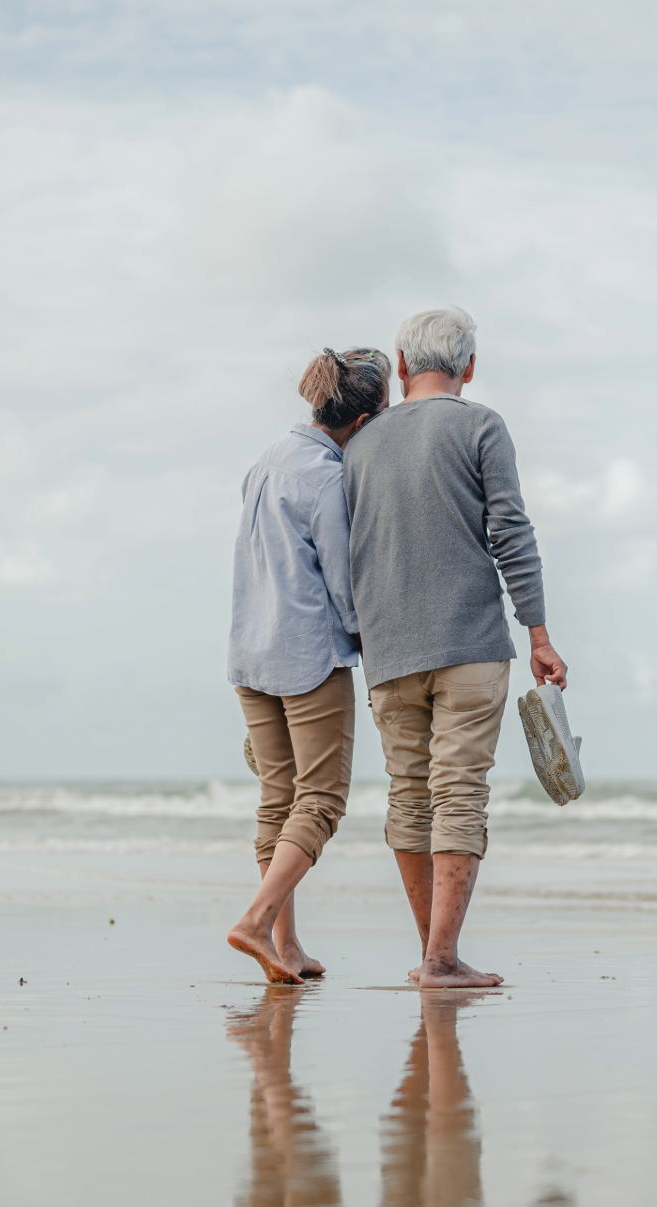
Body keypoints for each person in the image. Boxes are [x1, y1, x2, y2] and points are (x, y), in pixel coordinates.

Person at [344, 306, 567, 989]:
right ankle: (441, 958)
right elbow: (511, 532)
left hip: (387, 650)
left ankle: (432, 953)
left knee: (409, 796)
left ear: (401, 364)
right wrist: (538, 632)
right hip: (469, 641)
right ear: (469, 367)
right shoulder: (480, 426)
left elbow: (343, 548)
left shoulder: (358, 444)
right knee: (459, 794)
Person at [225, 347, 391, 984]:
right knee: (320, 802)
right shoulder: (326, 477)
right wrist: (376, 644)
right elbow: (345, 586)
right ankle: (257, 922)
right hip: (306, 656)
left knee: (278, 802)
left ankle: (284, 948)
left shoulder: (267, 459)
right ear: (366, 420)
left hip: (249, 652)